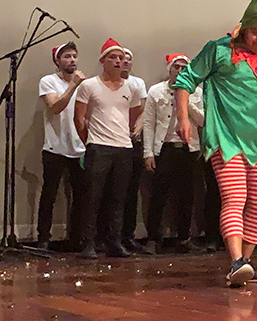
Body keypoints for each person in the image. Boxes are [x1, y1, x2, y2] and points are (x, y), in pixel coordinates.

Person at [173, 0, 257, 287]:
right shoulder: (219, 50)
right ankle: (236, 260)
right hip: (226, 138)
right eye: (255, 32)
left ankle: (245, 264)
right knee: (235, 197)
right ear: (242, 29)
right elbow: (186, 80)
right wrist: (183, 117)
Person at [74, 38, 144, 258]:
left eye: (121, 58)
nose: (118, 61)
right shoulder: (89, 85)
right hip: (99, 147)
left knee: (118, 198)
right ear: (103, 61)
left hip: (123, 147)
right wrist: (89, 141)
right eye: (113, 57)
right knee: (92, 198)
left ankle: (114, 241)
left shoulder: (131, 87)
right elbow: (79, 118)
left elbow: (133, 115)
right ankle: (88, 243)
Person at [142, 53, 204, 254]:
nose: (180, 71)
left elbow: (203, 121)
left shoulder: (197, 92)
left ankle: (184, 238)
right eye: (176, 67)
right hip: (165, 148)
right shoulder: (156, 91)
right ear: (170, 69)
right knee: (158, 196)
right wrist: (148, 153)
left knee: (187, 196)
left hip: (189, 149)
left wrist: (185, 102)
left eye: (184, 67)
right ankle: (153, 238)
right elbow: (148, 123)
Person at [35, 42, 87, 250]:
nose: (72, 60)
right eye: (67, 56)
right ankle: (43, 238)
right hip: (55, 147)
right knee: (50, 194)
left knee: (81, 196)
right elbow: (55, 107)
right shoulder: (49, 81)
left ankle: (76, 239)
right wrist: (73, 85)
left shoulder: (85, 84)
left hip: (79, 147)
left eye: (74, 56)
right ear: (58, 61)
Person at [119, 49, 148, 252]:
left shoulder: (137, 84)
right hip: (113, 140)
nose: (125, 63)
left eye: (129, 60)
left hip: (133, 141)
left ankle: (128, 235)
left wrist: (136, 130)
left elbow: (142, 110)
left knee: (131, 192)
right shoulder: (105, 84)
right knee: (113, 193)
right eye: (122, 59)